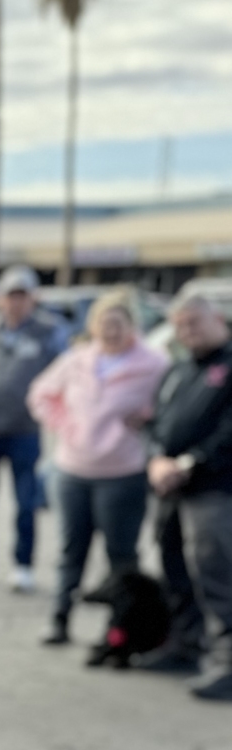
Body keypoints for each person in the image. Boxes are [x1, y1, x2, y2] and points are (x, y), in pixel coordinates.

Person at [26, 290, 167, 646]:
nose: (111, 333)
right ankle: (60, 618)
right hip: (73, 469)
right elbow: (40, 393)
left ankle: (117, 630)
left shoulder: (152, 364)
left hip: (122, 472)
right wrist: (65, 425)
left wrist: (148, 420)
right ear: (93, 328)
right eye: (105, 326)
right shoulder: (77, 360)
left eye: (118, 326)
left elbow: (170, 404)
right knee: (70, 551)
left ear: (131, 327)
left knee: (120, 556)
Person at [142, 295, 232, 699]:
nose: (187, 330)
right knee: (175, 569)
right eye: (180, 324)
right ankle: (185, 644)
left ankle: (227, 663)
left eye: (194, 321)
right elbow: (159, 422)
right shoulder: (178, 370)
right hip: (171, 490)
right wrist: (157, 458)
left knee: (217, 576)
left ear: (218, 319)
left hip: (214, 490)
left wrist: (189, 463)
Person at [0, 265, 66, 591]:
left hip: (24, 431)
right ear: (0, 299)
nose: (15, 302)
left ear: (33, 298)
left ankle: (23, 565)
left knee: (26, 501)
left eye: (22, 295)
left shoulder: (49, 332)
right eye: (10, 295)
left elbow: (65, 374)